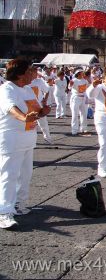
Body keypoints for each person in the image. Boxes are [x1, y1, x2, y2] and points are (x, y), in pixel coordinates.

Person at [0, 59, 50, 229]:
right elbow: (10, 108)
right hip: (11, 139)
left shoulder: (28, 89)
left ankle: (19, 205)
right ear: (20, 74)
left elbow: (36, 111)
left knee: (25, 174)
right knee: (9, 175)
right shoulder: (7, 89)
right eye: (29, 71)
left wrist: (43, 111)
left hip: (28, 138)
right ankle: (3, 212)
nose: (33, 74)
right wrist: (23, 117)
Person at [29, 67, 53, 144]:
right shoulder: (25, 82)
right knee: (30, 125)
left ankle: (47, 138)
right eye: (35, 72)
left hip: (39, 105)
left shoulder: (39, 81)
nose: (37, 74)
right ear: (30, 73)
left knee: (43, 123)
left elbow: (47, 90)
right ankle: (31, 141)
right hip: (28, 106)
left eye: (37, 72)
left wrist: (45, 100)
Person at [70, 69, 89, 136]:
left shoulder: (85, 81)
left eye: (83, 73)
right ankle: (74, 130)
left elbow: (87, 90)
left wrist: (87, 98)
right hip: (76, 98)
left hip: (83, 98)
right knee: (75, 114)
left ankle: (84, 128)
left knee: (84, 114)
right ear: (78, 73)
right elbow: (69, 88)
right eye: (82, 73)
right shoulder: (74, 80)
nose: (83, 74)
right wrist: (70, 85)